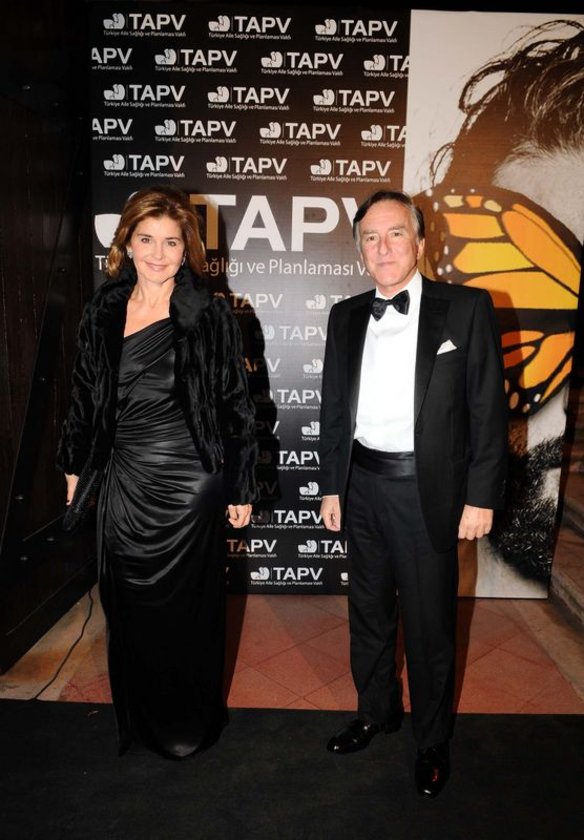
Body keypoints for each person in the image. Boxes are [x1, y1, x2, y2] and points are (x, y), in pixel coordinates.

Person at [57, 185, 257, 759]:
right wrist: (74, 468)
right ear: (126, 242)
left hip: (189, 482)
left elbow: (235, 404)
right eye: (146, 239)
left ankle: (187, 724)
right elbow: (84, 396)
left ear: (187, 249)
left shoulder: (209, 313)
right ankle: (144, 718)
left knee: (186, 608)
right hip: (124, 477)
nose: (158, 253)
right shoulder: (103, 310)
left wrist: (239, 485)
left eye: (171, 242)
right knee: (129, 603)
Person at [318, 190, 508, 797]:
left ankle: (431, 741)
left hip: (429, 494)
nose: (384, 247)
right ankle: (375, 712)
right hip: (362, 487)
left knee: (429, 628)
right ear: (359, 249)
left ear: (421, 242)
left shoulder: (467, 309)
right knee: (368, 615)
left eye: (396, 233)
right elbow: (333, 410)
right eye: (370, 237)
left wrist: (481, 497)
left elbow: (487, 411)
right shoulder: (345, 315)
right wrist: (332, 487)